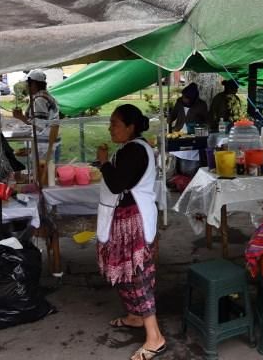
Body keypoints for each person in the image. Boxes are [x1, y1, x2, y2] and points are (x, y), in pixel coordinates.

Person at [96, 104, 166, 360]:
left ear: (130, 127)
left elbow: (116, 184)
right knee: (126, 273)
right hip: (126, 220)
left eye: (115, 123)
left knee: (138, 276)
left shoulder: (135, 150)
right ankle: (135, 317)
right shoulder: (131, 149)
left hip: (133, 223)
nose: (110, 128)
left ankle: (155, 337)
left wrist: (104, 163)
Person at [12, 69, 61, 162]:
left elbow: (40, 126)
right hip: (51, 142)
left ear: (34, 84)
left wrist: (21, 117)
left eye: (27, 84)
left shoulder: (39, 99)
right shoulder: (46, 96)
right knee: (50, 173)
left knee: (45, 174)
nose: (26, 86)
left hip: (44, 146)